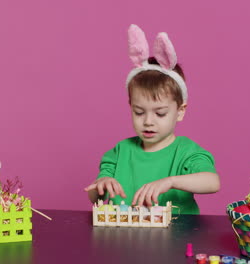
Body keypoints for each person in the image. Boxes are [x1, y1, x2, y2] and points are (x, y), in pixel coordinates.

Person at [84, 25, 220, 214]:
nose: (148, 121)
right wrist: (101, 185)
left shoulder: (187, 152)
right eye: (139, 112)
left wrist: (171, 181)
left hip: (176, 238)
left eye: (160, 113)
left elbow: (212, 182)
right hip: (126, 237)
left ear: (180, 112)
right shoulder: (120, 151)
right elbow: (93, 196)